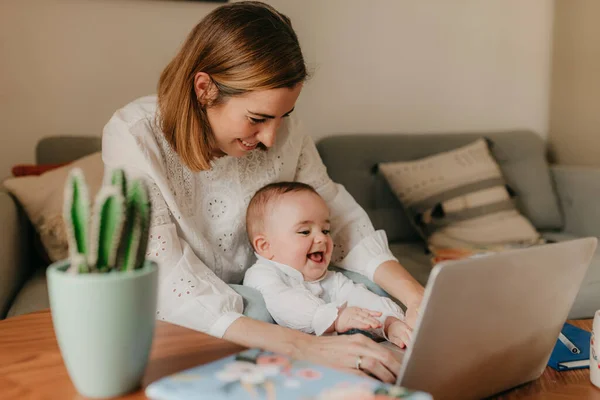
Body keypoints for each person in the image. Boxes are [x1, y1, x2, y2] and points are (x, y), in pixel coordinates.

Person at [102, 1, 424, 382]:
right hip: (213, 311)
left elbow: (338, 217)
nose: (271, 137)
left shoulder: (285, 133)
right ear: (204, 88)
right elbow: (166, 279)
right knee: (255, 307)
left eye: (282, 117)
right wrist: (307, 346)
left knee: (372, 290)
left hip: (283, 287)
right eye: (257, 119)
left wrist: (418, 299)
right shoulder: (135, 137)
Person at [243, 182, 412, 349]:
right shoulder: (262, 274)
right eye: (305, 231)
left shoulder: (330, 278)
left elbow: (359, 297)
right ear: (265, 246)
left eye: (325, 230)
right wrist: (335, 318)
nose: (322, 238)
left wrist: (389, 323)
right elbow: (283, 302)